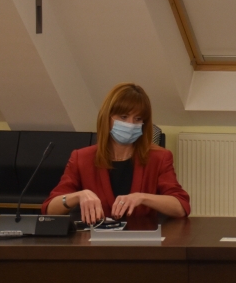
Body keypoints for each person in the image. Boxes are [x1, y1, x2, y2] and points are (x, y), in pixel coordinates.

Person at [42, 83, 189, 224]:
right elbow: (49, 209)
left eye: (137, 119)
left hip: (141, 238)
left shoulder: (159, 158)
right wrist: (78, 196)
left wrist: (143, 198)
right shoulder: (81, 158)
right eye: (123, 117)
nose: (130, 124)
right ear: (107, 118)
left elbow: (181, 207)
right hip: (95, 238)